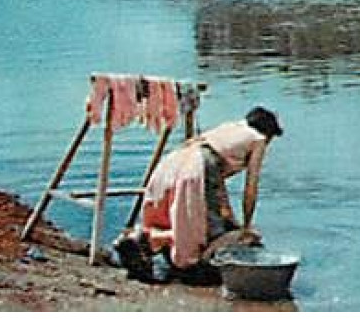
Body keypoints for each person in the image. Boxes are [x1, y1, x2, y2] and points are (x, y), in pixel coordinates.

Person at [113, 106, 282, 282]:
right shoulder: (258, 139)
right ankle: (177, 255)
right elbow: (251, 187)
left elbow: (217, 188)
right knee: (208, 233)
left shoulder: (230, 128)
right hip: (199, 166)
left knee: (180, 219)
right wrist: (246, 226)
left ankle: (142, 237)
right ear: (268, 133)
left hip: (176, 161)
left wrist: (231, 219)